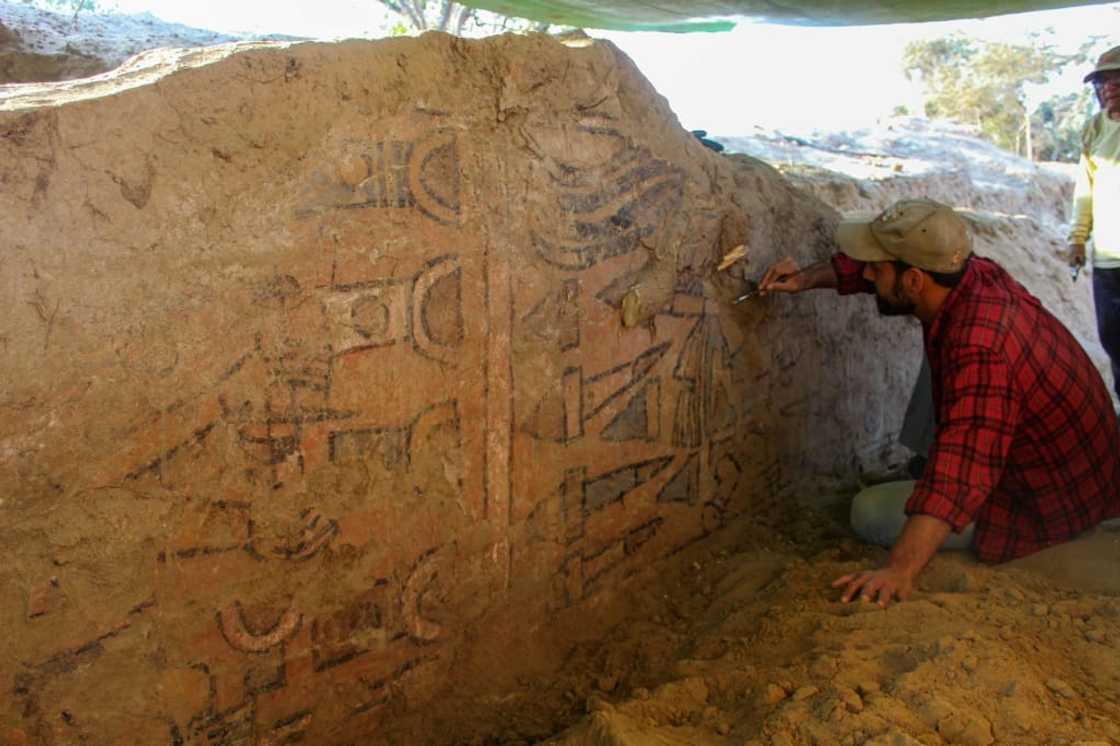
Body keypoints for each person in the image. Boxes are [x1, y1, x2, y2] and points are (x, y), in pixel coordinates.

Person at [759, 198, 1120, 607]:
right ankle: (921, 474)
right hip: (1071, 464)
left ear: (914, 280)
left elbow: (961, 470)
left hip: (1046, 500)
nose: (866, 274)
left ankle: (928, 504)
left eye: (875, 269)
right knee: (939, 359)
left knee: (868, 512)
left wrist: (899, 571)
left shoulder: (980, 350)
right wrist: (807, 278)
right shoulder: (970, 276)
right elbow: (885, 272)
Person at [1068, 44, 1120, 399]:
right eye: (1103, 81)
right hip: (1108, 262)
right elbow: (1084, 189)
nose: (1109, 87)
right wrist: (1077, 237)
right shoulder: (1094, 129)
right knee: (1115, 341)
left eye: (1117, 79)